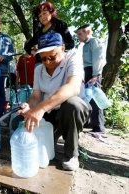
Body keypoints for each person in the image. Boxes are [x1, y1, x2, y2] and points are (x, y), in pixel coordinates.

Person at [16, 33, 90, 171]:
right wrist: (28, 106)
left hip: (70, 110)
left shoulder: (73, 57)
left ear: (62, 48)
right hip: (50, 113)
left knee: (72, 105)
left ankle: (71, 154)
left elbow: (73, 87)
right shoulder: (39, 69)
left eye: (52, 57)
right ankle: (54, 133)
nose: (48, 62)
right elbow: (36, 97)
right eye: (43, 58)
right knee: (19, 122)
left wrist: (40, 109)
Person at [24, 1, 75, 66]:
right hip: (41, 63)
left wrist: (56, 49)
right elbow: (27, 46)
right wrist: (36, 53)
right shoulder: (39, 33)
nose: (42, 17)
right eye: (40, 16)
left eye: (44, 13)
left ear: (51, 12)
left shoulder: (60, 25)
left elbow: (71, 44)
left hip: (58, 61)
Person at [76, 24, 106, 133]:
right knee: (87, 98)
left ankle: (98, 127)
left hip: (94, 72)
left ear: (87, 32)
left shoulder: (94, 42)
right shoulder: (85, 45)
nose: (78, 36)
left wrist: (95, 75)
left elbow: (98, 59)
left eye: (80, 34)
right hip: (87, 72)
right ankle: (90, 124)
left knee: (95, 99)